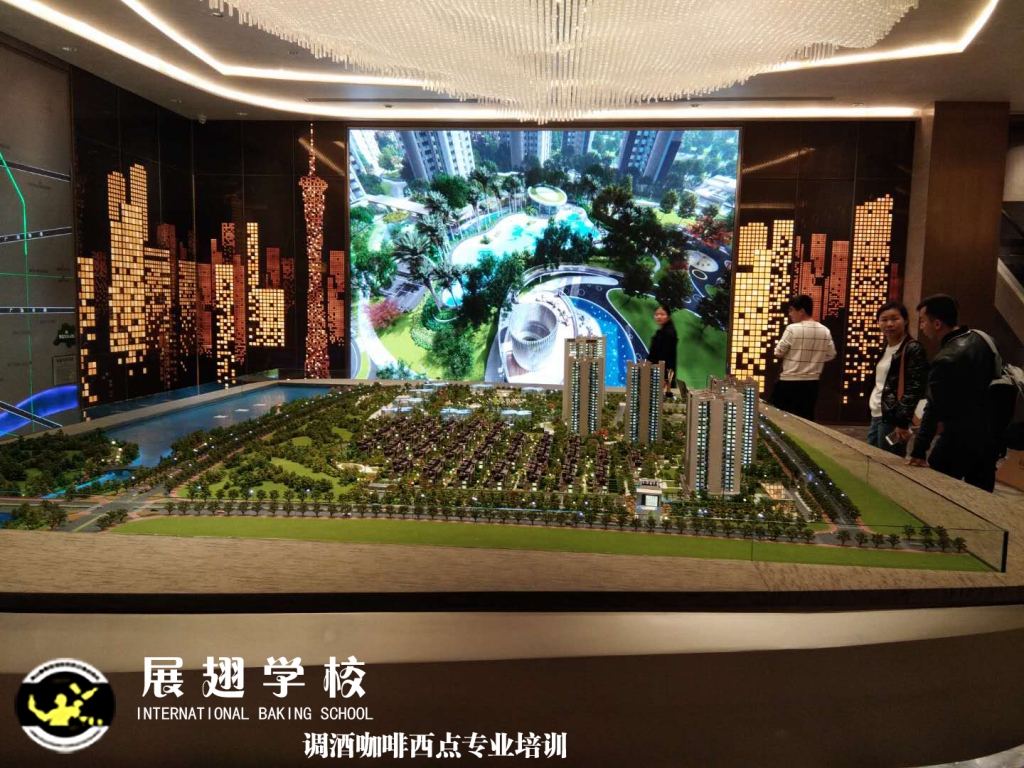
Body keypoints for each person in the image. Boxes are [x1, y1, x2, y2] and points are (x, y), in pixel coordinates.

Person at [908, 294, 1001, 492]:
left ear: (937, 324)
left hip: (957, 439)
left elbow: (933, 409)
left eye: (923, 321)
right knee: (981, 498)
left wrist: (919, 450)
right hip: (990, 438)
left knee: (938, 494)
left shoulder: (946, 358)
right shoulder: (984, 339)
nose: (921, 327)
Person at [867, 301, 928, 457]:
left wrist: (902, 421)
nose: (889, 324)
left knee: (888, 462)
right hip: (877, 412)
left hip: (894, 417)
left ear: (905, 320)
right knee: (872, 461)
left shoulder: (912, 348)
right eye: (884, 319)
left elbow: (914, 388)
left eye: (895, 319)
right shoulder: (885, 348)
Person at [771, 294, 836, 421]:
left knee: (780, 420)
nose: (790, 314)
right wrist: (815, 359)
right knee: (805, 421)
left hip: (789, 382)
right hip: (812, 384)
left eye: (791, 310)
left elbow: (778, 352)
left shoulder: (792, 329)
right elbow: (831, 354)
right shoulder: (825, 330)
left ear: (801, 311)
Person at [647, 305, 680, 397]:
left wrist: (664, 378)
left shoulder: (669, 333)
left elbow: (666, 357)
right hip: (657, 372)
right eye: (656, 314)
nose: (659, 317)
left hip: (662, 375)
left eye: (662, 314)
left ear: (668, 316)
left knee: (660, 400)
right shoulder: (661, 332)